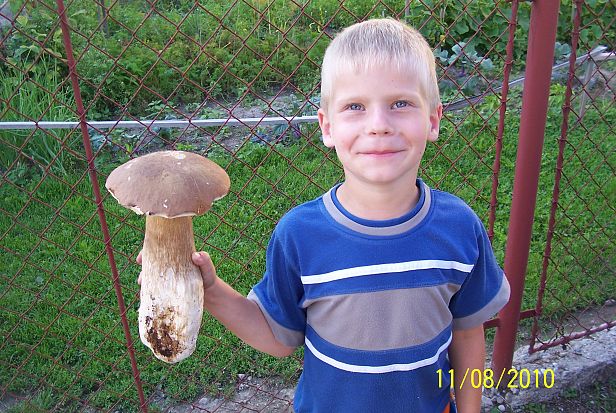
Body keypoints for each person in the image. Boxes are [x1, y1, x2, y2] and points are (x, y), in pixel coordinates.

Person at [142, 18, 510, 413]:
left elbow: (467, 331)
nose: (379, 126)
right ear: (327, 127)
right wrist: (211, 292)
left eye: (400, 104)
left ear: (433, 120)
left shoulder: (459, 228)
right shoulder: (300, 236)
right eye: (355, 106)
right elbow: (279, 339)